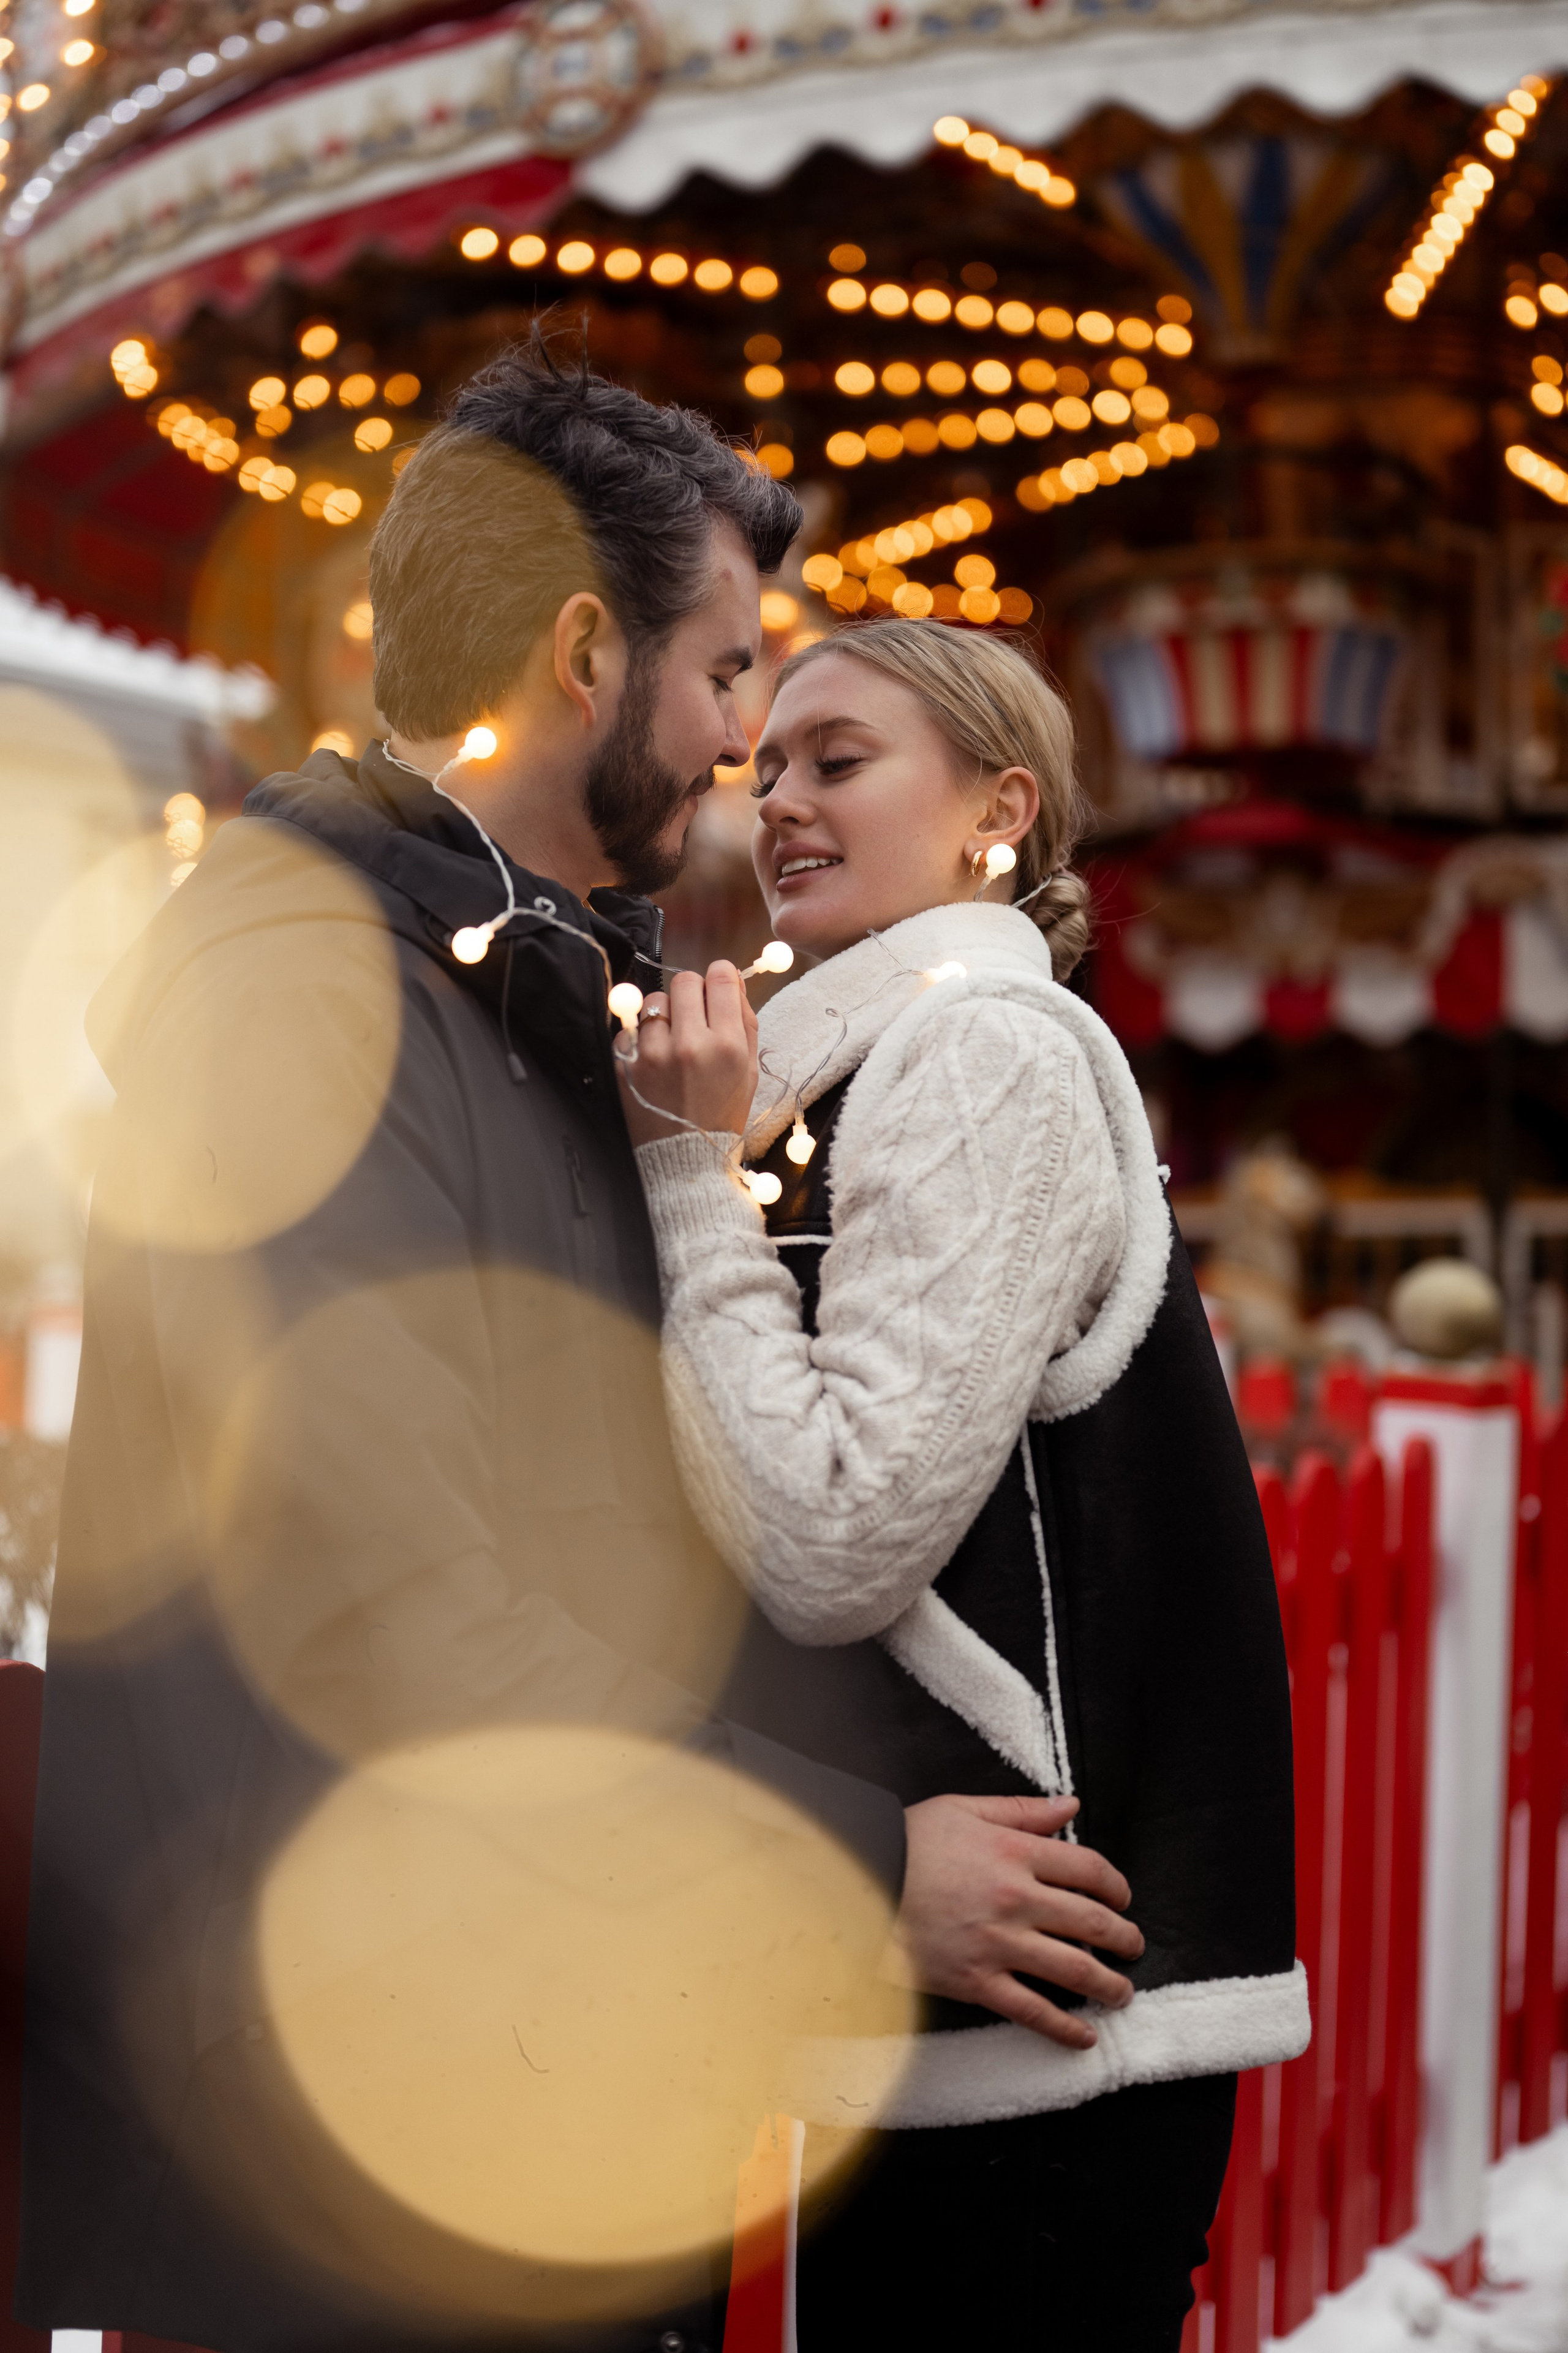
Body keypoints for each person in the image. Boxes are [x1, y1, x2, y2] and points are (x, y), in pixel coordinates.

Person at [18, 346, 1141, 2353]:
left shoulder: (517, 977)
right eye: (725, 674)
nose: (742, 743)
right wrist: (851, 1861)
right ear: (579, 648)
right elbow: (386, 1599)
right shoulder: (311, 1001)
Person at [621, 617, 1309, 2350]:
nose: (776, 796)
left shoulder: (978, 1051)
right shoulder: (873, 1057)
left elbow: (838, 1531)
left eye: (839, 759)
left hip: (1037, 2038)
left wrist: (691, 1186)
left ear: (998, 809)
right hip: (988, 2018)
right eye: (766, 761)